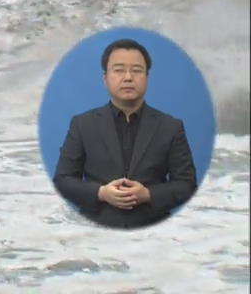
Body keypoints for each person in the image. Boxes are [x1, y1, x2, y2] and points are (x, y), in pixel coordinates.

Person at [53, 38, 197, 228]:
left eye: (136, 70)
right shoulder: (82, 124)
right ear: (105, 78)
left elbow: (186, 184)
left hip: (155, 230)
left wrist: (148, 195)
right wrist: (102, 193)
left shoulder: (171, 126)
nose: (128, 77)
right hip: (93, 228)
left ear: (147, 77)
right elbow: (63, 180)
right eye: (119, 70)